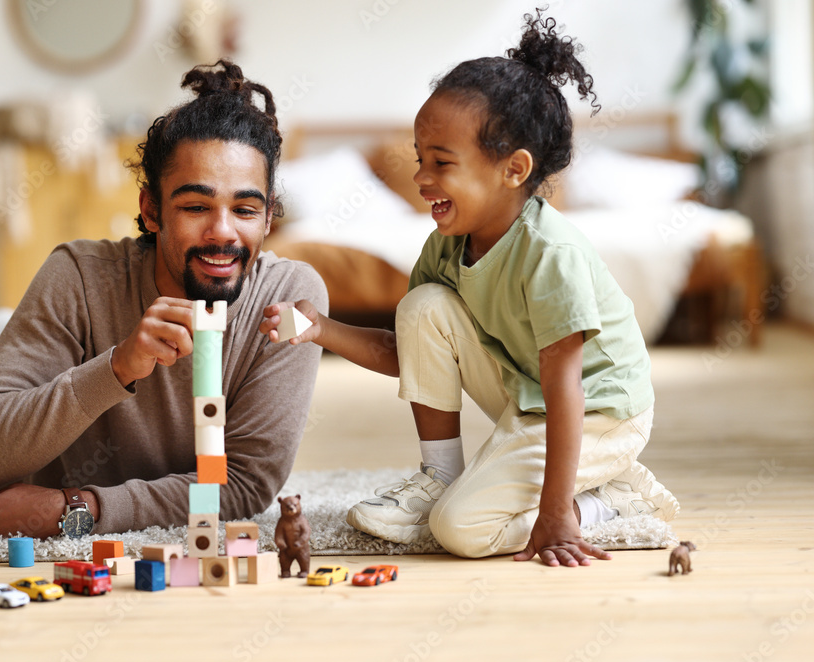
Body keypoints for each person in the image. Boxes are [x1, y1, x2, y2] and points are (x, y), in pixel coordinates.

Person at [260, 10, 678, 566]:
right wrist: (322, 329)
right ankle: (441, 476)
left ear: (513, 169)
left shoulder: (551, 255)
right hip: (527, 393)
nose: (420, 178)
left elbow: (566, 390)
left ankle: (608, 503)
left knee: (460, 529)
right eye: (420, 159)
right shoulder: (446, 247)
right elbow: (408, 351)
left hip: (599, 410)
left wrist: (554, 514)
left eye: (442, 162)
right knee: (423, 305)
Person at [0, 60, 328, 539]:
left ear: (268, 220)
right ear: (151, 210)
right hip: (35, 442)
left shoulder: (291, 300)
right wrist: (118, 367)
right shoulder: (77, 276)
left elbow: (242, 486)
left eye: (244, 209)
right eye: (196, 207)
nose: (222, 231)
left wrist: (76, 508)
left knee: (12, 391)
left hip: (57, 441)